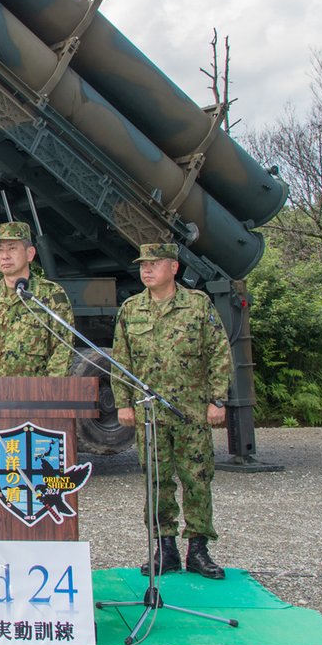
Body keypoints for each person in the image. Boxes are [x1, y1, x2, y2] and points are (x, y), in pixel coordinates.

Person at [112, 242, 232, 580]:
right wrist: (123, 403)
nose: (146, 270)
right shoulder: (131, 309)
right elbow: (121, 362)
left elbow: (219, 351)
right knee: (156, 480)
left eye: (155, 264)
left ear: (173, 268)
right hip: (149, 414)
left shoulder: (197, 305)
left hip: (191, 410)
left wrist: (216, 399)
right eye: (143, 265)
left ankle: (198, 548)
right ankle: (165, 548)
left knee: (197, 479)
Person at [0, 221, 75, 378]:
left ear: (30, 254)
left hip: (40, 396)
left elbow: (63, 347)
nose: (4, 256)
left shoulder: (51, 294)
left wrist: (50, 392)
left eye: (12, 248)